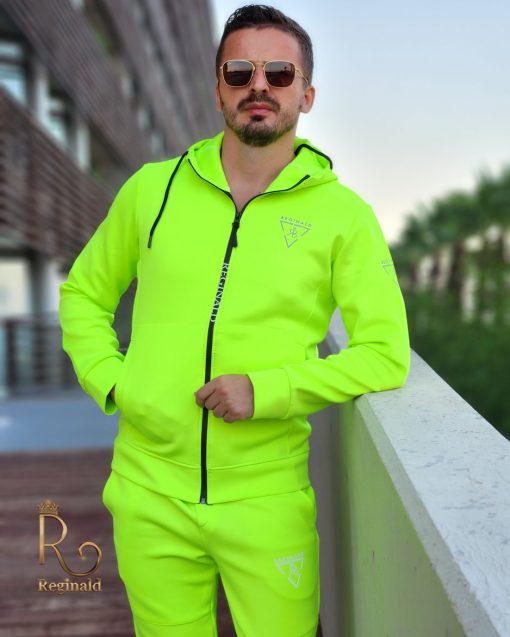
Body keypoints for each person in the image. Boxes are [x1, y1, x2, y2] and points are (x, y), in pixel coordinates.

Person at [59, 4, 411, 636]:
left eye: (279, 73)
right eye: (240, 72)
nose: (259, 86)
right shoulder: (151, 190)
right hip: (147, 493)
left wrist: (268, 389)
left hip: (267, 497)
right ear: (218, 88)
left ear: (306, 94)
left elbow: (385, 354)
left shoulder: (344, 217)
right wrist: (113, 380)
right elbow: (84, 293)